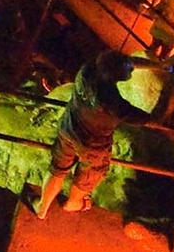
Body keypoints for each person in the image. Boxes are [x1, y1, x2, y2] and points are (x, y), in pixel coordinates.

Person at [34, 51, 155, 216]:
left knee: (58, 168)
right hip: (92, 144)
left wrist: (159, 66)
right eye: (127, 70)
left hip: (70, 127)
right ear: (116, 75)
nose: (131, 70)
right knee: (90, 174)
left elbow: (128, 62)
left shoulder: (88, 70)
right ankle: (73, 203)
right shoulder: (112, 102)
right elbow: (152, 119)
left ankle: (42, 207)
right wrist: (170, 91)